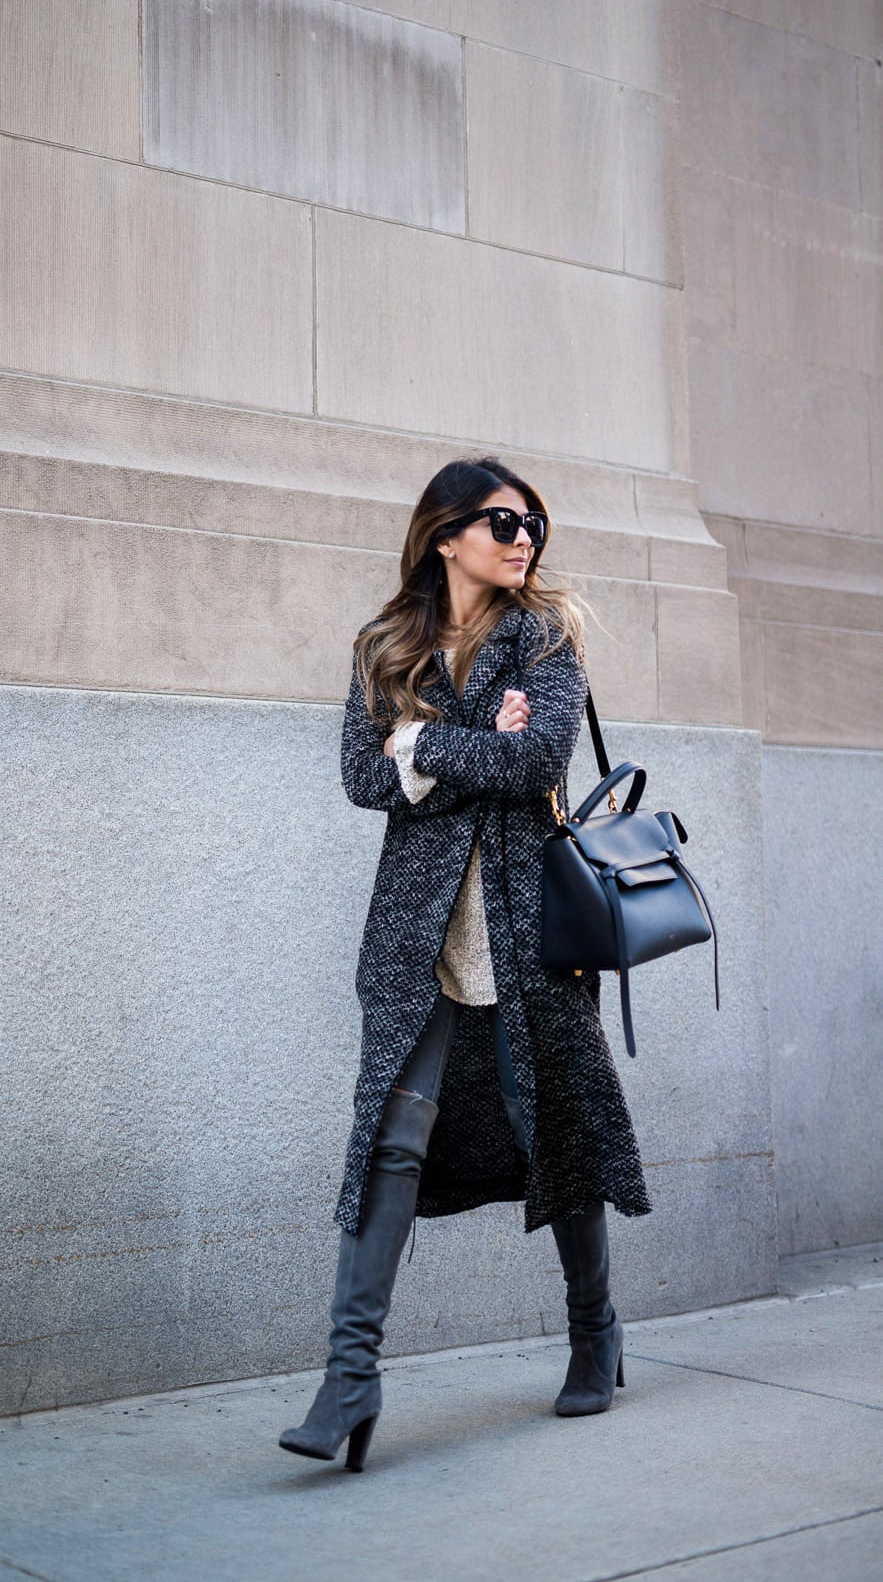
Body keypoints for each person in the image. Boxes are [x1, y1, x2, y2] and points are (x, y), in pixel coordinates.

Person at [279, 457, 651, 1473]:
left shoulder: (544, 634)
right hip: (417, 937)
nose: (523, 534)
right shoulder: (384, 643)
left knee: (556, 1120)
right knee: (389, 1137)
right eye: (500, 519)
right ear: (445, 533)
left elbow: (537, 765)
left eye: (533, 520)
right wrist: (465, 737)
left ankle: (593, 1328)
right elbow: (362, 779)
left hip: (530, 925)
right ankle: (348, 1376)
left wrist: (425, 744)